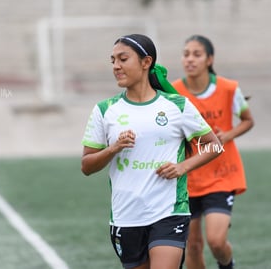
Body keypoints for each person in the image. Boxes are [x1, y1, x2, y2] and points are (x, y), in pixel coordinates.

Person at [81, 34, 223, 269]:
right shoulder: (104, 110)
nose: (116, 66)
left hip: (169, 211)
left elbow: (214, 145)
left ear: (146, 62)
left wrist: (182, 167)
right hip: (126, 216)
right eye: (113, 60)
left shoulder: (177, 105)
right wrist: (113, 148)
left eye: (123, 59)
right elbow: (87, 166)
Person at [171, 35, 254, 269]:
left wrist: (228, 135)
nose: (190, 59)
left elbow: (248, 120)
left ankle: (228, 264)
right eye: (186, 54)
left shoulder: (229, 88)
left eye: (196, 54)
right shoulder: (173, 93)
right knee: (193, 246)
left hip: (221, 175)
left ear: (209, 59)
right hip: (189, 178)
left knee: (216, 242)